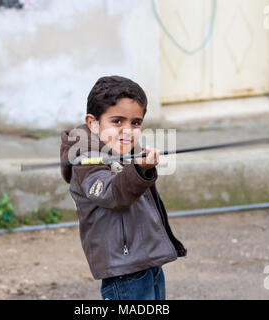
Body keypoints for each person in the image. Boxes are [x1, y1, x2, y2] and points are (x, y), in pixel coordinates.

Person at [60, 75, 187, 300]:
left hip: (146, 261)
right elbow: (111, 194)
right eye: (117, 121)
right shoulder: (85, 160)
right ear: (93, 123)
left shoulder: (126, 151)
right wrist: (138, 170)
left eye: (135, 123)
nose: (128, 130)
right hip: (124, 270)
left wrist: (141, 166)